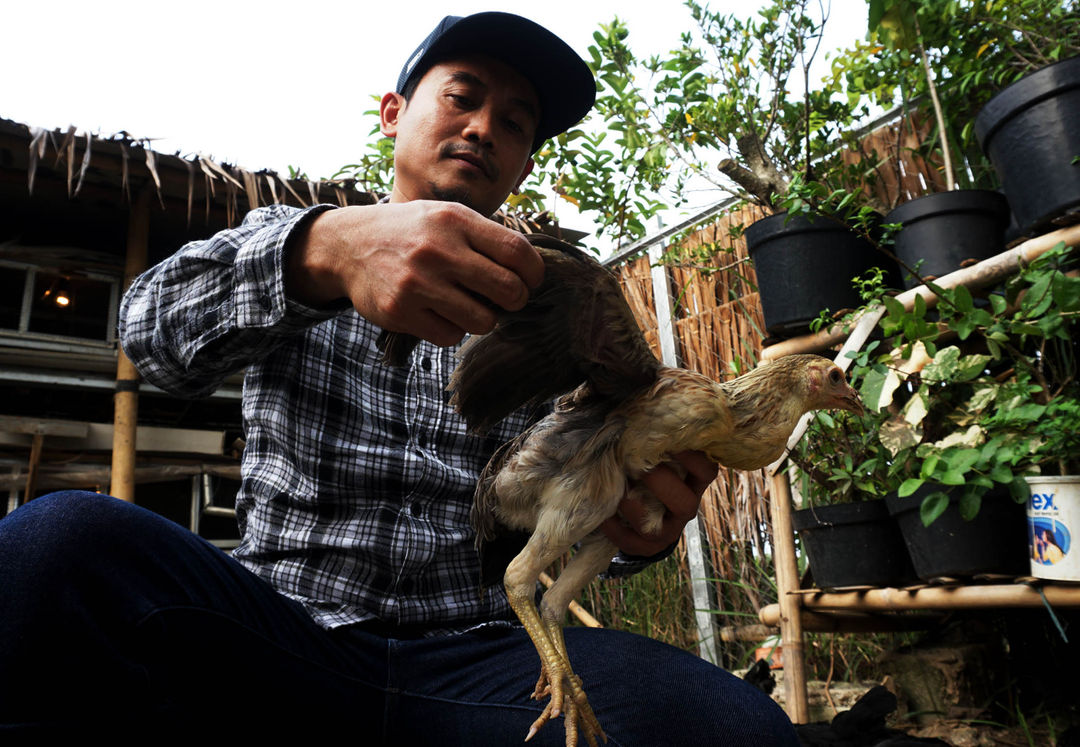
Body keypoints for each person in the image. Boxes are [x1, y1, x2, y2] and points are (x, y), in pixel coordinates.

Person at [0, 12, 799, 744]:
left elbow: (583, 517)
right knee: (57, 545)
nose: (484, 126)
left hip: (478, 665)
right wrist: (321, 254)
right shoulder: (288, 239)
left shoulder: (563, 312)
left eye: (514, 123)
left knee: (738, 727)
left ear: (522, 166)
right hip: (277, 634)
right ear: (393, 115)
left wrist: (641, 525)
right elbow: (151, 332)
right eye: (463, 97)